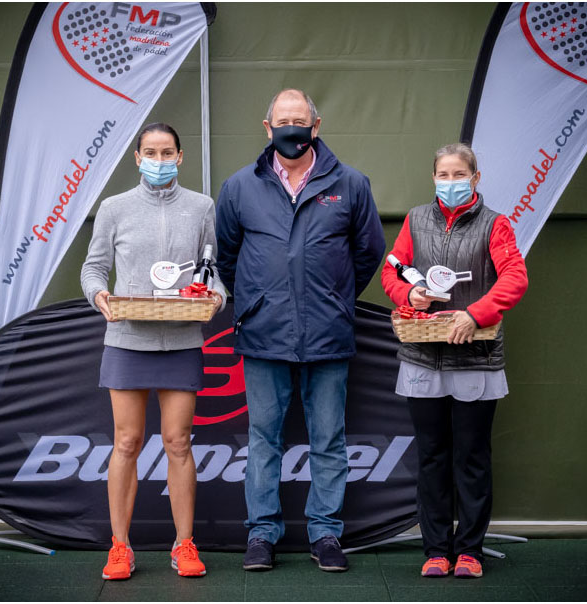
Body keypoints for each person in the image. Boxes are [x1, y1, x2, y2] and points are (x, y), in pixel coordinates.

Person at [215, 89, 386, 572]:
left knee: (328, 439)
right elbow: (228, 256)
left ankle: (326, 534)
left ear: (316, 125)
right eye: (283, 121)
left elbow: (369, 251)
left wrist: (333, 298)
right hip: (263, 334)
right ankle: (261, 535)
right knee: (263, 439)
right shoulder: (239, 186)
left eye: (300, 120)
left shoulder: (351, 184)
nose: (292, 128)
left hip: (327, 333)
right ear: (267, 128)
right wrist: (256, 301)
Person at [80, 122, 226, 581]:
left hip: (182, 340)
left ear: (180, 157)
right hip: (127, 340)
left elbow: (214, 270)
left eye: (167, 153)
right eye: (150, 153)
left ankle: (184, 544)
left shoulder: (202, 207)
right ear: (137, 157)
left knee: (178, 443)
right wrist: (99, 295)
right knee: (126, 442)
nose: (158, 161)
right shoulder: (114, 208)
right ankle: (119, 547)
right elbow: (93, 267)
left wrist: (216, 298)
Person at [381, 143, 528, 579]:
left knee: (471, 458)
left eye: (459, 174)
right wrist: (409, 294)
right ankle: (435, 551)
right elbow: (391, 270)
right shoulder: (415, 220)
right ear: (433, 178)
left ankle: (469, 552)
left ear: (475, 178)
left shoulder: (495, 225)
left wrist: (475, 314)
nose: (450, 182)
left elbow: (514, 278)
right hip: (423, 358)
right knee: (431, 457)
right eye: (443, 175)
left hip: (476, 360)